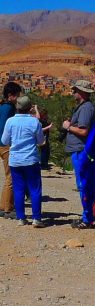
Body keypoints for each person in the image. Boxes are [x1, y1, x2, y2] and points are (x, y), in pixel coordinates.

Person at [1, 96, 46, 227]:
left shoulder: (10, 121)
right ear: (30, 107)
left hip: (15, 160)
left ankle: (21, 217)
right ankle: (37, 218)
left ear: (17, 107)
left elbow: (4, 141)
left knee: (18, 189)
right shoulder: (34, 122)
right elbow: (40, 141)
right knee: (35, 189)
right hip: (31, 159)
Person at [62, 80, 95, 229]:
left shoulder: (85, 109)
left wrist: (68, 127)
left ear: (82, 92)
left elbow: (84, 131)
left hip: (81, 151)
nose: (73, 93)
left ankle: (87, 218)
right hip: (79, 150)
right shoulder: (84, 107)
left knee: (83, 184)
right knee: (83, 184)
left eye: (75, 90)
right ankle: (88, 216)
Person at [0, 82, 23, 219]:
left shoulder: (2, 106)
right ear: (11, 96)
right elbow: (4, 128)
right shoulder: (8, 108)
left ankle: (3, 206)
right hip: (6, 145)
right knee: (11, 177)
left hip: (2, 144)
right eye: (17, 95)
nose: (19, 97)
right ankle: (8, 209)